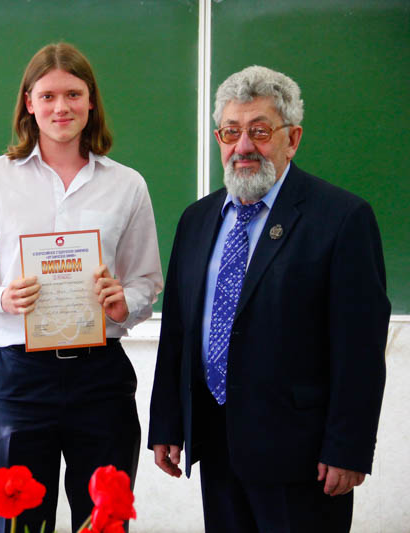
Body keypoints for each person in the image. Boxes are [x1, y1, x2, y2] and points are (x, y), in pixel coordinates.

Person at [148, 65, 390, 532]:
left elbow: (359, 349)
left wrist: (349, 448)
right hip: (216, 444)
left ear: (292, 139)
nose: (243, 146)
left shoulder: (341, 218)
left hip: (303, 457)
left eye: (259, 132)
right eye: (231, 132)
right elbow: (177, 330)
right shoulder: (197, 220)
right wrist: (168, 423)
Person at [0, 43, 163, 532]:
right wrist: (0, 297)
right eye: (47, 96)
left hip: (100, 377)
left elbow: (147, 280)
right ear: (28, 103)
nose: (60, 107)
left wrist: (123, 302)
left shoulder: (127, 185)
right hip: (21, 378)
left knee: (104, 523)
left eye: (73, 94)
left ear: (91, 101)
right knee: (21, 524)